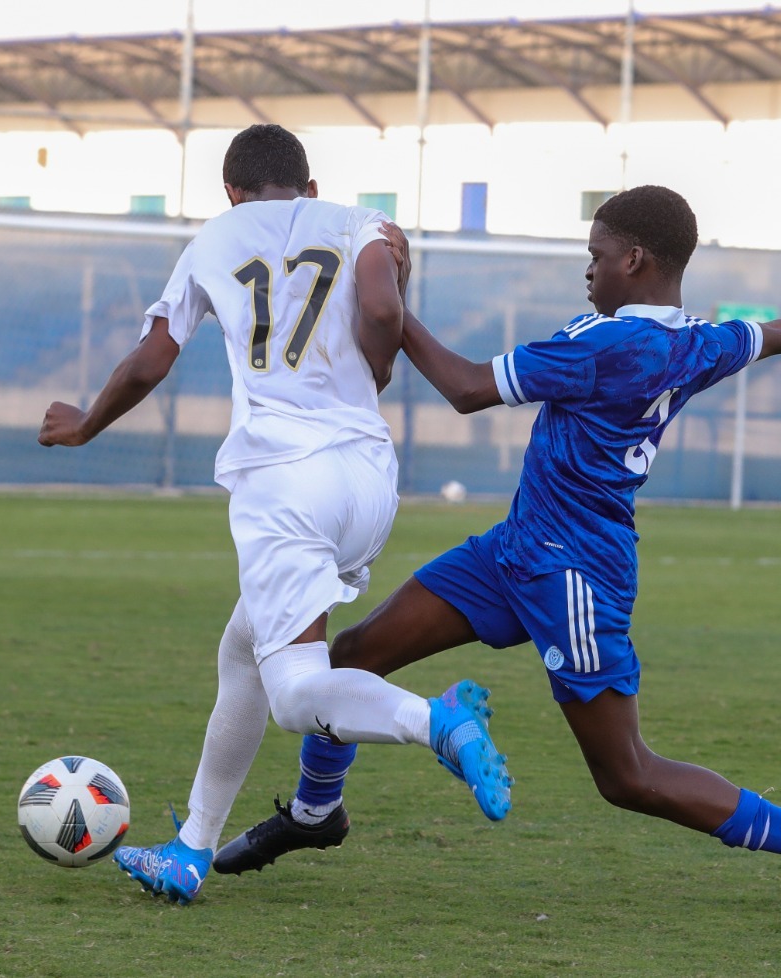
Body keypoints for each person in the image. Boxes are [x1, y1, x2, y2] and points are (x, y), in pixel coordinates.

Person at [216, 184, 781, 924]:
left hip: (572, 574)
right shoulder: (695, 340)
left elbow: (468, 388)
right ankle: (318, 814)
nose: (588, 269)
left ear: (635, 259)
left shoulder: (606, 342)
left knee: (627, 775)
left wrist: (386, 306)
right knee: (353, 655)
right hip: (514, 550)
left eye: (596, 255)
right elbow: (779, 334)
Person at [37, 124, 511, 905]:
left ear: (231, 191)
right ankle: (192, 847)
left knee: (295, 691)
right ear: (311, 186)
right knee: (244, 647)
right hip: (368, 479)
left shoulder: (214, 238)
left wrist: (86, 423)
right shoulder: (361, 222)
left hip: (285, 481)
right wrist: (380, 366)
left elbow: (155, 356)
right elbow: (385, 310)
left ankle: (439, 719)